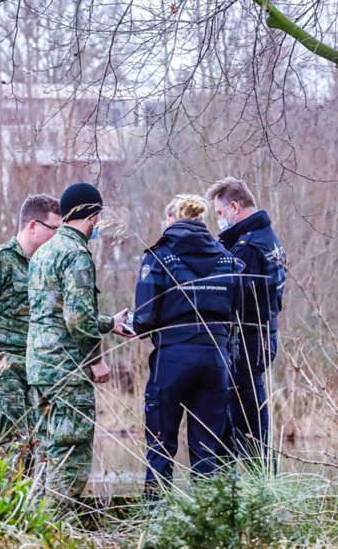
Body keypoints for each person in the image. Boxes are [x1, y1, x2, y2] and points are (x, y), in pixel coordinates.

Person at [26, 182, 131, 502]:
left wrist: (110, 323)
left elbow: (55, 310)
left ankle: (31, 528)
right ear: (93, 216)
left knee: (47, 452)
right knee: (71, 455)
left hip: (39, 369)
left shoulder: (44, 252)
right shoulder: (77, 255)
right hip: (67, 372)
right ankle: (52, 531)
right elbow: (78, 319)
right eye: (97, 217)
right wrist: (96, 360)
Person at [133, 194, 242, 498]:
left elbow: (143, 317)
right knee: (208, 449)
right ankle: (207, 523)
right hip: (216, 360)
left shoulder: (159, 256)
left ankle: (155, 520)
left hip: (172, 359)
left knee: (161, 442)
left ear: (171, 220)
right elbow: (237, 308)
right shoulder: (227, 258)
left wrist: (136, 325)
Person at [0, 194, 62, 470]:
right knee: (11, 452)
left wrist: (108, 323)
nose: (57, 236)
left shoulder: (46, 267)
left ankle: (30, 513)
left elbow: (58, 314)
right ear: (33, 226)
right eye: (54, 229)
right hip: (3, 371)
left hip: (33, 370)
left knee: (37, 453)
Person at [206, 177, 287, 461]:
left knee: (247, 418)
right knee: (248, 409)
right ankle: (255, 479)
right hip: (265, 334)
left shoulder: (248, 247)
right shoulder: (270, 239)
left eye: (219, 213)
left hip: (247, 340)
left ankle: (258, 482)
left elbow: (231, 299)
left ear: (234, 207)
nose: (219, 220)